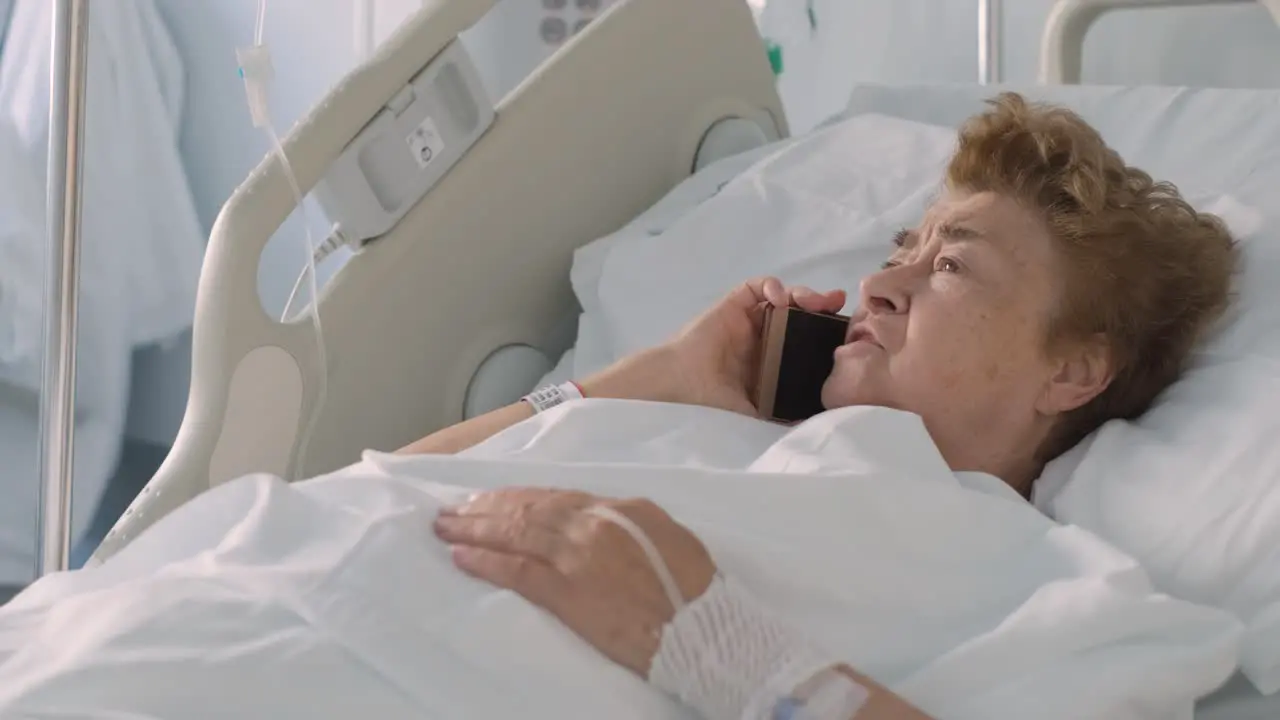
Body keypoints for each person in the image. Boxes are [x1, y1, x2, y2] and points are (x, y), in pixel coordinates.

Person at [396, 93, 1242, 719]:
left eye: (949, 267)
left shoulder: (1066, 599)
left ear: (1073, 372)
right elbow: (388, 481)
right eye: (901, 250)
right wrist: (651, 374)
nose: (876, 286)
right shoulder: (709, 422)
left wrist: (709, 641)